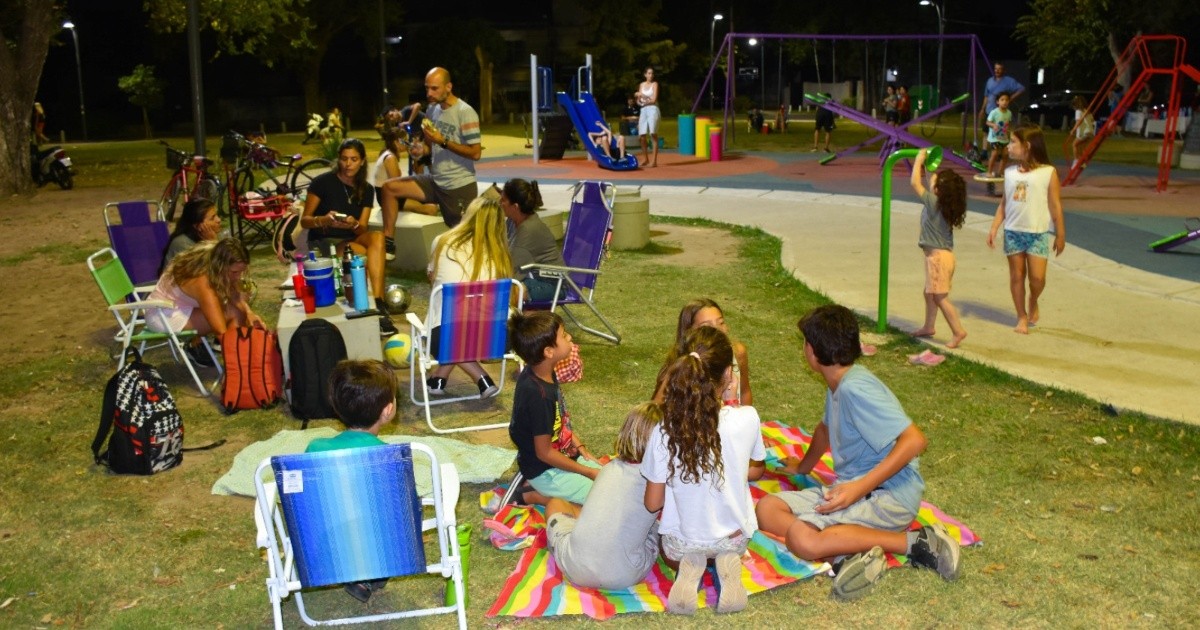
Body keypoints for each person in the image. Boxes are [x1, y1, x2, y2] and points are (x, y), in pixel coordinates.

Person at [755, 305, 960, 602]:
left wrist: (856, 489)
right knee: (767, 509)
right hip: (857, 489)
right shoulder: (838, 382)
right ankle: (844, 552)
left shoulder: (856, 389)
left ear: (813, 351)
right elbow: (824, 429)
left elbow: (915, 440)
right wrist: (802, 467)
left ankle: (917, 543)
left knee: (801, 538)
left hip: (888, 496)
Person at [642, 326, 766, 615]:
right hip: (735, 538)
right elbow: (757, 468)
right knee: (729, 540)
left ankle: (689, 566)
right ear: (727, 376)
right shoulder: (748, 418)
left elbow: (652, 503)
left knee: (666, 545)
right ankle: (724, 560)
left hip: (681, 544)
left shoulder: (664, 430)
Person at [305, 359, 398, 603]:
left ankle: (358, 572)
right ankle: (373, 568)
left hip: (330, 546)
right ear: (387, 411)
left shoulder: (314, 449)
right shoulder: (390, 457)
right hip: (380, 546)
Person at [544, 402, 663, 590]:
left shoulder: (607, 469)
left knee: (556, 504)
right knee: (658, 529)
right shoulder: (660, 480)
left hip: (574, 567)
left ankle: (570, 538)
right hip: (625, 574)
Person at [380, 67, 483, 258]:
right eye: (427, 88)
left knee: (467, 244)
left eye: (434, 88)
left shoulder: (466, 112)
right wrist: (420, 151)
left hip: (458, 186)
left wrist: (442, 141)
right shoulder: (432, 111)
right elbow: (429, 147)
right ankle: (388, 245)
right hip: (435, 180)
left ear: (448, 87)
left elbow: (475, 153)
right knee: (389, 188)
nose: (429, 93)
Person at [300, 138, 396, 336]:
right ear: (338, 160)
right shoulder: (323, 182)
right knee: (368, 256)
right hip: (325, 243)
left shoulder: (366, 189)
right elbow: (305, 220)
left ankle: (377, 302)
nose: (348, 164)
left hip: (349, 240)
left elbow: (362, 229)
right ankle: (377, 311)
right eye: (344, 159)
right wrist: (325, 220)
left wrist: (353, 223)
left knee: (377, 238)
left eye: (353, 159)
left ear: (362, 161)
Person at [507, 311, 602, 506]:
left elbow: (560, 422)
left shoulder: (544, 371)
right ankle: (530, 495)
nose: (570, 338)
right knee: (602, 501)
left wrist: (580, 447)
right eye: (564, 335)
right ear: (549, 352)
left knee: (610, 481)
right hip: (546, 471)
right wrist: (588, 471)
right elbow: (544, 453)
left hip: (563, 456)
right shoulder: (537, 395)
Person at [425, 196, 513, 397]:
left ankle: (480, 378)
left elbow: (433, 279)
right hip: (497, 338)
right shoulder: (501, 255)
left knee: (455, 327)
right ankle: (441, 379)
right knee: (464, 327)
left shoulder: (442, 241)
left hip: (445, 338)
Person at [986, 124, 1066, 334]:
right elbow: (1004, 204)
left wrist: (1060, 233)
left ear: (1027, 146)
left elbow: (1055, 205)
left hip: (1038, 233)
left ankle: (1034, 298)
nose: (1009, 146)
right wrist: (995, 228)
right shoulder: (1010, 172)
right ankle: (1021, 316)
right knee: (1016, 276)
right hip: (1013, 231)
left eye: (1013, 142)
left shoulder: (1049, 172)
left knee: (1038, 279)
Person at [146, 238, 263, 365]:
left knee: (238, 311)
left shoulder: (216, 256)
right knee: (234, 314)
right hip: (162, 314)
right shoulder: (202, 281)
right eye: (235, 272)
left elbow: (235, 297)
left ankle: (238, 362)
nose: (238, 277)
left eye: (241, 271)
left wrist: (249, 313)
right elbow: (220, 332)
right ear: (221, 266)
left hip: (181, 306)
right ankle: (237, 367)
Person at [908, 148, 968, 348]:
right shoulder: (944, 203)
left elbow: (915, 183)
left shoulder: (934, 203)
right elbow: (930, 180)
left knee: (940, 298)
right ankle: (929, 326)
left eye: (935, 183)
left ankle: (958, 331)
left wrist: (917, 161)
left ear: (938, 192)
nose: (932, 181)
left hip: (937, 259)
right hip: (943, 258)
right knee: (930, 293)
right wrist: (928, 165)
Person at [653, 298, 752, 407]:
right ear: (689, 332)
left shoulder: (738, 352)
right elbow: (655, 408)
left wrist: (746, 418)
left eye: (721, 322)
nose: (718, 330)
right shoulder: (680, 365)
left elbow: (745, 392)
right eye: (707, 326)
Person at [372, 127, 440, 261]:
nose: (407, 143)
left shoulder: (387, 154)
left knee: (425, 196)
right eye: (405, 141)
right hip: (389, 197)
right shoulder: (390, 157)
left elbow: (417, 172)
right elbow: (395, 182)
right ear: (397, 142)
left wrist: (414, 156)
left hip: (390, 194)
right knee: (431, 209)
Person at [501, 178, 565, 302]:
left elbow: (512, 272)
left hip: (552, 285)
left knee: (506, 290)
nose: (499, 203)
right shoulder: (513, 221)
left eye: (503, 200)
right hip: (532, 278)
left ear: (515, 206)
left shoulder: (528, 231)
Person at [159, 198, 222, 274]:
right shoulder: (182, 244)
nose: (218, 220)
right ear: (198, 226)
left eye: (217, 215)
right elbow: (212, 272)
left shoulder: (209, 237)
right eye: (212, 218)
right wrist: (213, 244)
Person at [978, 63, 1024, 131]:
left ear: (1003, 70)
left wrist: (1010, 99)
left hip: (1001, 113)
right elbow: (986, 96)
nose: (997, 71)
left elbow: (1021, 88)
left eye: (999, 69)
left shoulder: (1008, 81)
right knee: (986, 133)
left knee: (999, 133)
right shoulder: (990, 80)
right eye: (996, 69)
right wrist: (982, 109)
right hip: (989, 111)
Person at [984, 92, 1013, 179]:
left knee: (1005, 154)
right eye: (1002, 100)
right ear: (997, 102)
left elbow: (1008, 124)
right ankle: (989, 172)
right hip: (994, 138)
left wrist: (1010, 133)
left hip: (1004, 138)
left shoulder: (1009, 113)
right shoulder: (994, 112)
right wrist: (993, 125)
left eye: (1007, 100)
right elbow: (987, 122)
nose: (1004, 102)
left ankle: (1000, 172)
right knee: (995, 153)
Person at [637, 67, 660, 167]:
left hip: (653, 109)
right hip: (643, 110)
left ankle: (654, 161)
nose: (651, 75)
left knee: (653, 134)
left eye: (652, 73)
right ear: (645, 74)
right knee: (642, 136)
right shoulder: (641, 85)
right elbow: (638, 101)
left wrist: (642, 95)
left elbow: (653, 99)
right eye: (649, 73)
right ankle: (645, 158)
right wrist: (640, 100)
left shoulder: (654, 84)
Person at [1070, 95, 1096, 169]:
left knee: (1074, 145)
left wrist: (1073, 130)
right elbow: (1092, 121)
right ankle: (1083, 163)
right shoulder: (1087, 111)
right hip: (1090, 132)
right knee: (1081, 148)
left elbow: (1078, 122)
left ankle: (1076, 161)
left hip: (1084, 132)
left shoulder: (1078, 111)